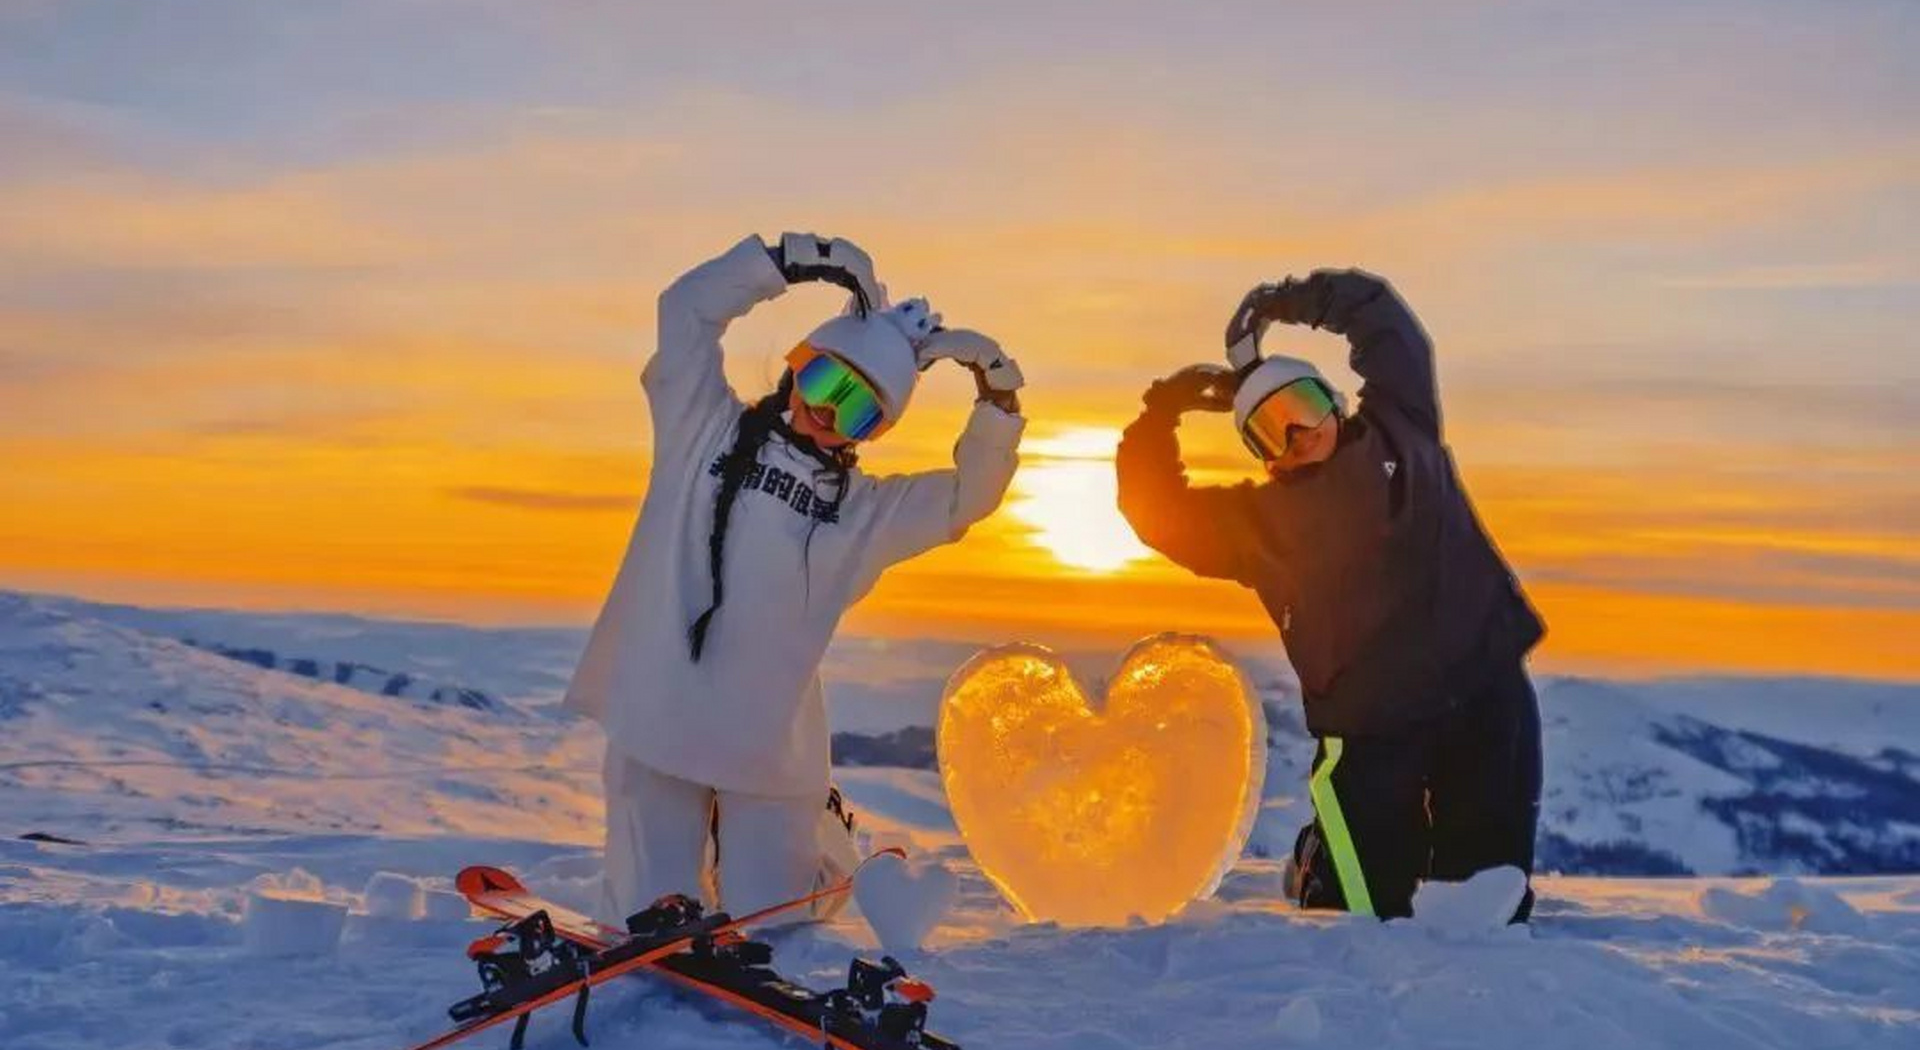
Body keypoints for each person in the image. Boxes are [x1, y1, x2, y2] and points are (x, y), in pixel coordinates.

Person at [565, 233, 1025, 923]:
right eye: (824, 383)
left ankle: (827, 843)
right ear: (797, 368)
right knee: (647, 910)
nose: (828, 412)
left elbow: (968, 498)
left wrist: (997, 398)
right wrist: (780, 262)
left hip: (766, 739)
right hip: (658, 707)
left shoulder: (864, 512)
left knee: (773, 919)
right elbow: (685, 310)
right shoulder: (704, 427)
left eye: (859, 410)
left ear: (873, 432)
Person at [1114, 269, 1544, 921]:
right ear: (1262, 456)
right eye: (1269, 430)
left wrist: (1283, 300)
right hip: (1371, 730)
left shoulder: (1404, 424)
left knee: (1485, 902)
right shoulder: (1258, 527)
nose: (1296, 434)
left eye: (1304, 408)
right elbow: (1156, 512)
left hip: (1485, 693)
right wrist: (1158, 417)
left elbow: (1385, 322)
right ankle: (1316, 862)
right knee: (1360, 913)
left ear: (1335, 402)